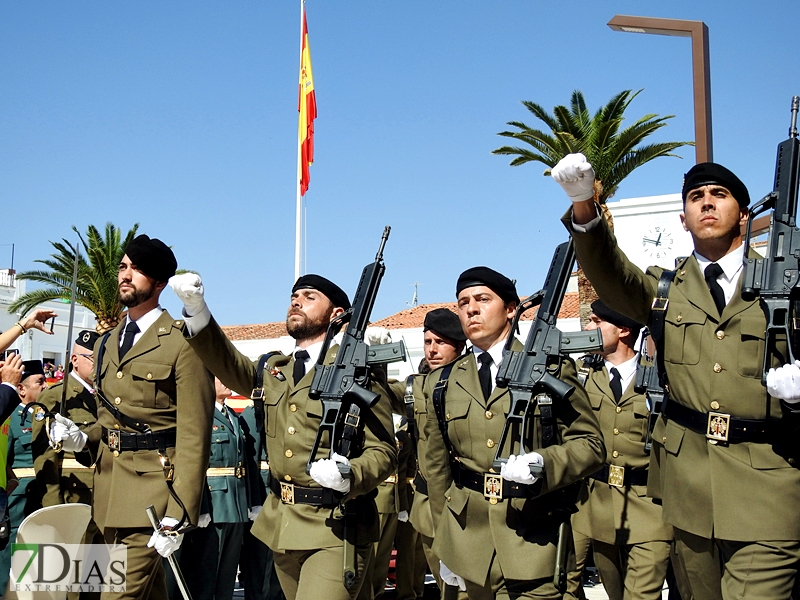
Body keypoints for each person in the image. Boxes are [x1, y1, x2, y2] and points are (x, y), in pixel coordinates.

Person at [553, 153, 800, 600]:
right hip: (689, 490)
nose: (706, 203)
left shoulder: (786, 282)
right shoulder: (665, 291)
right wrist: (584, 206)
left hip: (770, 485)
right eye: (695, 197)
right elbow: (613, 276)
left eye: (719, 195)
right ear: (682, 219)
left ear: (744, 215)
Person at [170, 272, 397, 600]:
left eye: (309, 297)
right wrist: (197, 311)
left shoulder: (357, 373)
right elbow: (227, 362)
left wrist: (351, 474)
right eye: (294, 296)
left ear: (336, 315)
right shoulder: (274, 370)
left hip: (334, 525)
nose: (297, 301)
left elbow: (384, 450)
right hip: (283, 524)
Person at [49, 234, 215, 600]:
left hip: (155, 495)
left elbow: (194, 434)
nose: (126, 274)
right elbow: (111, 420)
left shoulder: (182, 341)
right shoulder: (107, 342)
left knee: (117, 595)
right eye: (123, 267)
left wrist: (180, 511)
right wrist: (82, 438)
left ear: (159, 283)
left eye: (137, 269)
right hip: (109, 493)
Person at [423, 267, 605, 600]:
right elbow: (436, 472)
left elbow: (591, 445)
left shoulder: (548, 368)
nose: (471, 309)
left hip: (534, 542)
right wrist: (443, 543)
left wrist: (543, 463)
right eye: (463, 302)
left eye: (482, 299)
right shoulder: (442, 383)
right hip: (468, 548)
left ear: (510, 309)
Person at [569, 300, 672, 600]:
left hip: (650, 506)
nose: (588, 328)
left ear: (624, 330)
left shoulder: (660, 377)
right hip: (597, 506)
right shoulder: (582, 375)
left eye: (597, 322)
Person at [401, 308, 467, 600]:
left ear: (459, 346)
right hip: (427, 505)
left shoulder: (472, 384)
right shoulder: (417, 385)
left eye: (440, 342)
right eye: (428, 342)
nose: (432, 349)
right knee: (445, 589)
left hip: (463, 502)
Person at [0, 360, 48, 592]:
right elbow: (5, 460)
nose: (45, 386)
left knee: (37, 560)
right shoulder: (10, 419)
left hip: (43, 497)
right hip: (18, 500)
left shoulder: (45, 417)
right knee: (11, 556)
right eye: (39, 382)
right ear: (21, 388)